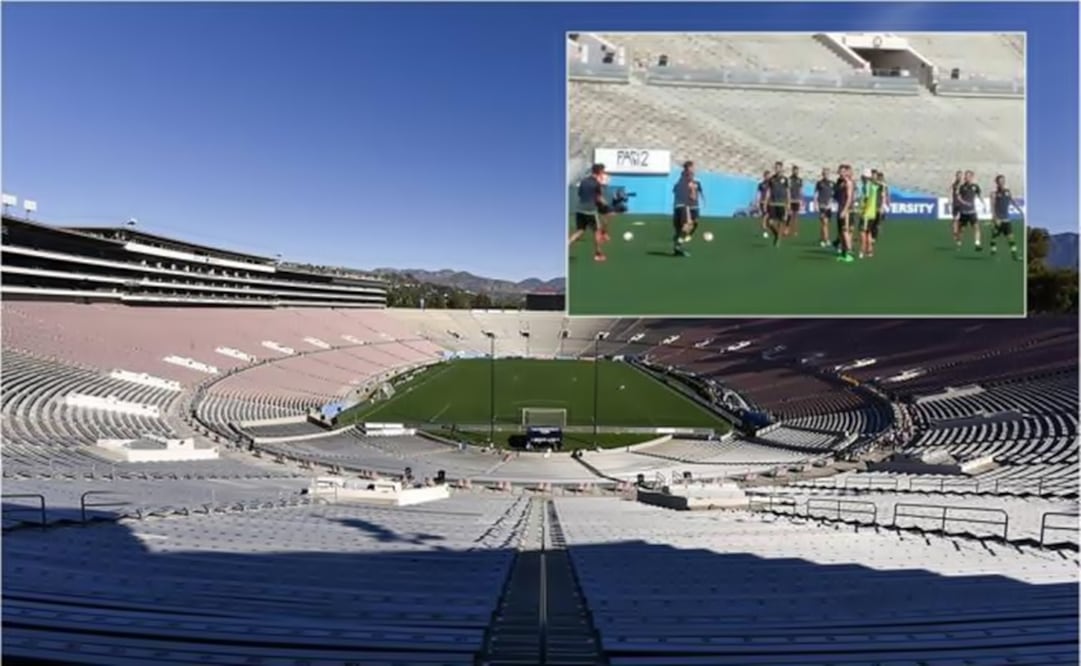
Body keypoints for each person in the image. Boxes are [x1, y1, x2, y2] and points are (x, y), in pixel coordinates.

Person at [569, 163, 608, 262]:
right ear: (599, 172)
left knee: (580, 230)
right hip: (590, 210)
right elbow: (599, 198)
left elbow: (580, 194)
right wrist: (605, 204)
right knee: (597, 231)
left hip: (579, 209)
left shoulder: (583, 181)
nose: (603, 173)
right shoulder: (596, 184)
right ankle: (598, 254)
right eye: (602, 171)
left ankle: (566, 244)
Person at [672, 161, 704, 256]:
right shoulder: (685, 180)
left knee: (688, 225)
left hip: (681, 206)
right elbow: (685, 195)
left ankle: (678, 244)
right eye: (692, 168)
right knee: (687, 225)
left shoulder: (688, 181)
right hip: (684, 206)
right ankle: (678, 244)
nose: (693, 171)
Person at [990, 174, 1021, 260]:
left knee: (1010, 237)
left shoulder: (1008, 191)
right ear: (997, 183)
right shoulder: (994, 194)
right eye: (1000, 181)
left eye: (1003, 181)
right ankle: (993, 250)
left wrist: (1019, 209)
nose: (1002, 183)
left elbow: (1012, 200)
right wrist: (994, 217)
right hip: (998, 219)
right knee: (994, 237)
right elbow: (992, 206)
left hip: (1006, 219)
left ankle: (1014, 255)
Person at [955, 170, 983, 251]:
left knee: (976, 228)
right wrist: (964, 203)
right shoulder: (962, 187)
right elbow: (959, 197)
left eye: (967, 176)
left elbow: (979, 195)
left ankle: (977, 243)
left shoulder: (975, 186)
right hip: (964, 212)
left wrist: (983, 202)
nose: (966, 178)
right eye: (965, 176)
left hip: (972, 212)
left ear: (971, 177)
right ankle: (959, 241)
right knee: (961, 229)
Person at [834, 164, 855, 263]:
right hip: (839, 208)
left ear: (846, 172)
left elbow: (849, 198)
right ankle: (843, 253)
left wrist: (845, 210)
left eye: (843, 171)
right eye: (840, 171)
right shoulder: (839, 182)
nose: (841, 173)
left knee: (845, 230)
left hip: (844, 210)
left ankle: (849, 251)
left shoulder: (848, 182)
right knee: (840, 232)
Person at [765, 161, 789, 247]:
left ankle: (778, 239)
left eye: (778, 167)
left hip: (782, 204)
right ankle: (776, 234)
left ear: (781, 168)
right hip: (773, 203)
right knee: (770, 222)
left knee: (780, 222)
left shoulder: (785, 179)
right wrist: (766, 201)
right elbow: (769, 191)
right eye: (775, 167)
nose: (776, 169)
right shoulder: (772, 179)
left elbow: (787, 192)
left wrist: (788, 203)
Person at [814, 168, 833, 248]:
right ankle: (826, 239)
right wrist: (816, 204)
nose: (826, 175)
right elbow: (816, 194)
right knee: (824, 222)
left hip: (828, 206)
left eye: (827, 173)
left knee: (825, 224)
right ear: (822, 174)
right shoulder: (819, 183)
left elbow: (833, 194)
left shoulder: (832, 183)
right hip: (821, 205)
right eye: (824, 173)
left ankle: (822, 239)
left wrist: (830, 203)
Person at [786, 165, 803, 237]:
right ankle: (787, 229)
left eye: (797, 170)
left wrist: (801, 199)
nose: (796, 172)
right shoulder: (789, 179)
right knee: (789, 215)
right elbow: (788, 190)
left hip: (797, 200)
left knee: (795, 216)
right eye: (794, 170)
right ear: (792, 171)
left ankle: (795, 230)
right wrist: (788, 200)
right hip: (791, 200)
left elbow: (801, 190)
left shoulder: (800, 180)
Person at [755, 170, 771, 239]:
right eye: (766, 175)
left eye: (769, 175)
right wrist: (757, 202)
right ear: (764, 176)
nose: (768, 177)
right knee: (765, 216)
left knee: (769, 217)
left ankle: (765, 229)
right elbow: (758, 194)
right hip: (763, 202)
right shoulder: (761, 184)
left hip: (770, 202)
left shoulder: (772, 184)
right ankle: (765, 230)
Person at [949, 170, 963, 246]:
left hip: (961, 204)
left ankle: (958, 233)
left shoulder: (963, 184)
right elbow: (951, 190)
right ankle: (955, 233)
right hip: (955, 203)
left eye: (960, 175)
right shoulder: (955, 183)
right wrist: (950, 199)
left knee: (960, 220)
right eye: (958, 175)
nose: (959, 177)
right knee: (955, 219)